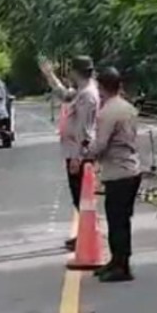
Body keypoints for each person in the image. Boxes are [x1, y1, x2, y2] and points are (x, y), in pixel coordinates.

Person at [83, 67, 142, 283]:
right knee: (121, 219)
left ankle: (122, 266)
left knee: (117, 221)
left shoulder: (107, 112)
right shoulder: (128, 108)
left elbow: (100, 145)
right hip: (132, 169)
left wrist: (85, 153)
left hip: (118, 173)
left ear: (101, 87)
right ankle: (116, 260)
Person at [39, 56, 100, 251]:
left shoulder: (88, 95)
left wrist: (78, 157)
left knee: (82, 198)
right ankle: (84, 234)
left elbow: (86, 130)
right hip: (74, 151)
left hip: (79, 153)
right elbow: (64, 95)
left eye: (71, 70)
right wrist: (50, 75)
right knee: (79, 198)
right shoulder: (81, 92)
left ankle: (87, 235)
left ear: (76, 72)